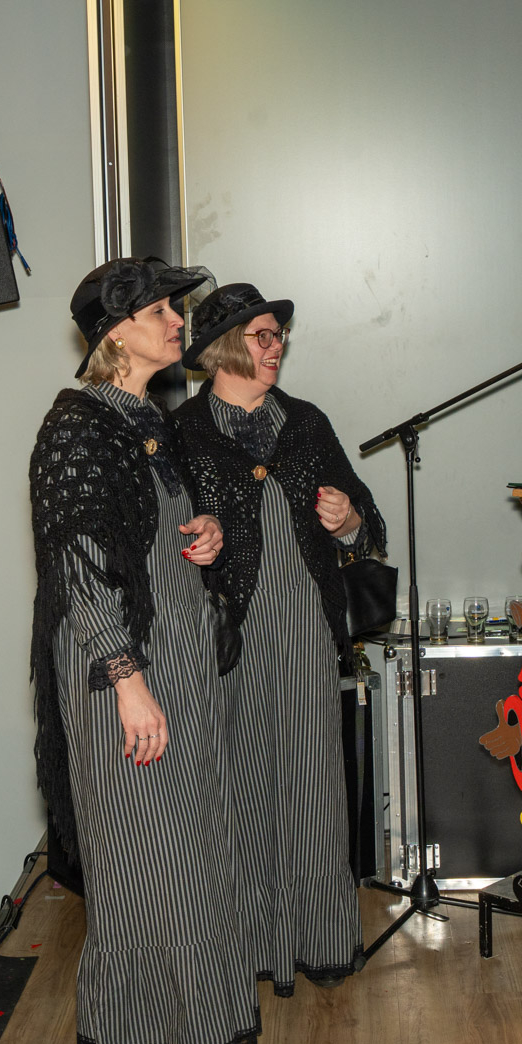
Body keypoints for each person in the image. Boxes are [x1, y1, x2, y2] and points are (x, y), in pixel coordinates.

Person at [29, 257, 260, 1044]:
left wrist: (206, 531)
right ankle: (145, 1042)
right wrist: (127, 682)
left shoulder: (146, 420)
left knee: (192, 858)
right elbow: (79, 568)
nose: (176, 319)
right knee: (145, 864)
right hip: (121, 673)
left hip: (175, 668)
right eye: (160, 309)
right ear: (116, 332)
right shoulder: (77, 426)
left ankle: (196, 1030)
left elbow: (156, 532)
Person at [172, 282, 386, 995]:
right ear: (224, 348)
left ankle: (320, 940)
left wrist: (348, 520)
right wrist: (197, 543)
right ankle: (251, 948)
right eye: (262, 336)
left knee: (313, 781)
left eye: (278, 335)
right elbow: (160, 544)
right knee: (237, 787)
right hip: (223, 632)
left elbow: (365, 519)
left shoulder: (306, 423)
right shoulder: (183, 432)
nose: (277, 347)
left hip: (304, 623)